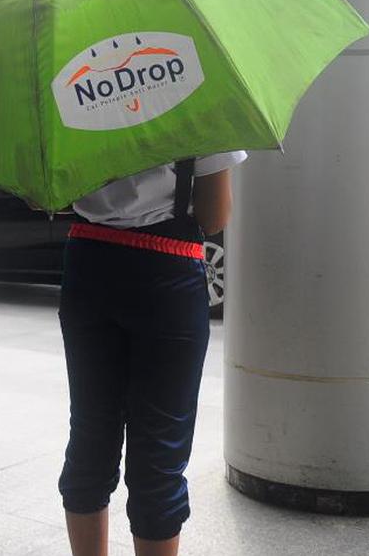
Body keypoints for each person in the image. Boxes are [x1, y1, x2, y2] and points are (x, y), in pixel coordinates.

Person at [58, 153, 244, 556]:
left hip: (88, 266)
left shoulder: (64, 90)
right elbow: (214, 215)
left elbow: (50, 196)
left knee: (90, 438)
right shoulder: (200, 96)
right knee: (159, 456)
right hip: (168, 274)